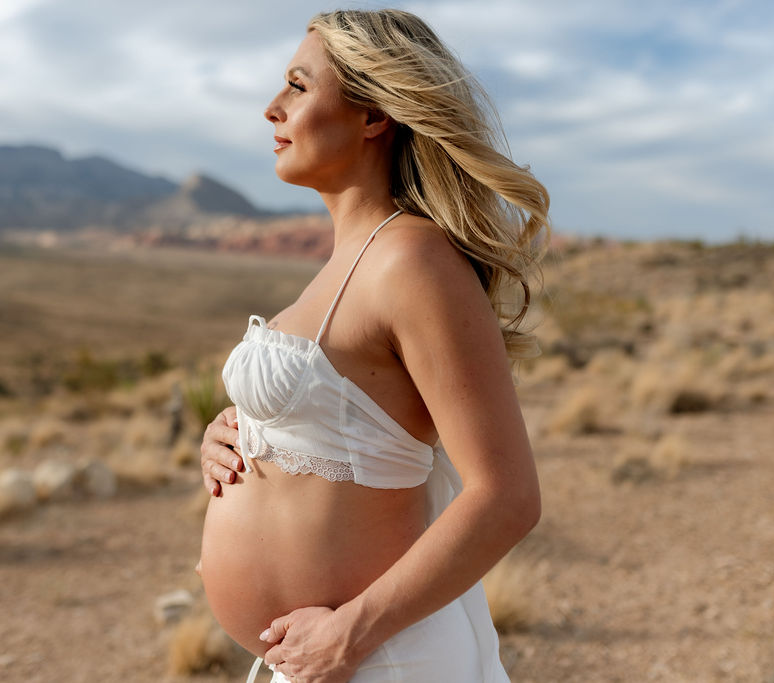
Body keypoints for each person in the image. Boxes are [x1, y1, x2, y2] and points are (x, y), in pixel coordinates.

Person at [198, 9, 549, 682]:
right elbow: (342, 420)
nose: (272, 109)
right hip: (319, 659)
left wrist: (347, 634)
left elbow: (507, 494)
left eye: (298, 87)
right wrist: (235, 437)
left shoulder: (410, 259)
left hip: (380, 657)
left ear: (372, 115)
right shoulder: (344, 266)